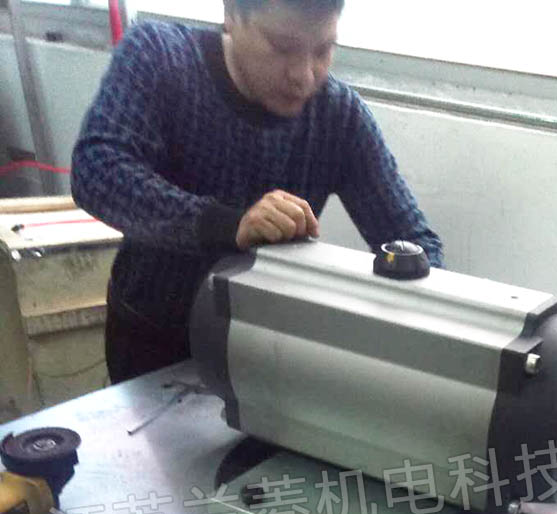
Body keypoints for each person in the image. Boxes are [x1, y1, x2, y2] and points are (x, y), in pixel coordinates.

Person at [71, 0, 443, 384]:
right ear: (231, 16)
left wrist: (409, 323)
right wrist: (226, 225)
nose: (304, 76)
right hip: (151, 343)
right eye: (282, 47)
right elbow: (96, 168)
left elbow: (415, 242)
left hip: (267, 352)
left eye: (323, 50)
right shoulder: (160, 57)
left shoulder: (339, 116)